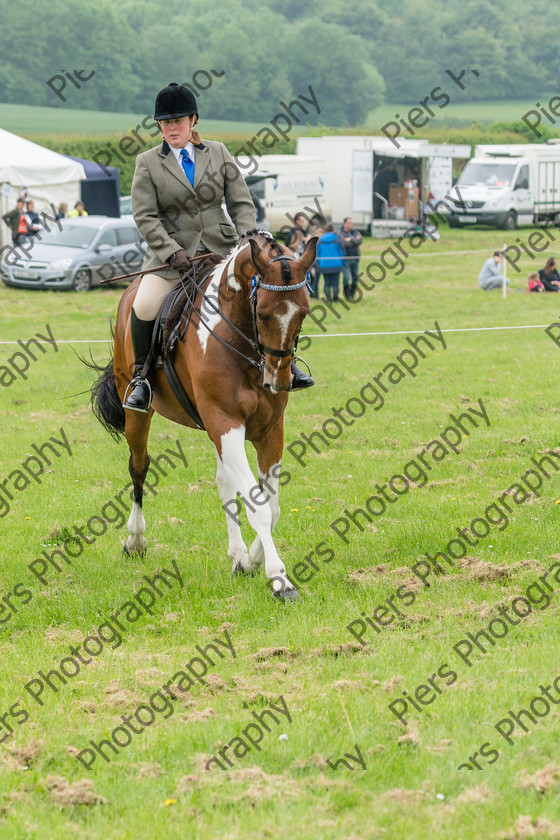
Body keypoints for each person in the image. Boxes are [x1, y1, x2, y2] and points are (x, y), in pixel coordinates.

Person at [125, 82, 314, 412]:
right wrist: (172, 251)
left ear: (193, 121)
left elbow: (241, 202)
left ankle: (287, 364)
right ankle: (141, 378)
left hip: (223, 249)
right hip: (173, 258)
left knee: (270, 297)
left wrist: (246, 239)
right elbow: (145, 216)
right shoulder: (147, 162)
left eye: (178, 121)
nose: (171, 128)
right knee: (143, 306)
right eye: (165, 123)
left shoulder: (218, 152)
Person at [316, 223, 344, 302]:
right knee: (335, 283)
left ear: (325, 230)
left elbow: (318, 254)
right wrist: (342, 262)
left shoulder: (320, 241)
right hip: (336, 265)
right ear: (333, 230)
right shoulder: (337, 239)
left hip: (324, 265)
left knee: (327, 283)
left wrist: (318, 264)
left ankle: (328, 300)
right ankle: (335, 300)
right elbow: (342, 253)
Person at [339, 217, 363, 299]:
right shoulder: (340, 233)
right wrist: (353, 241)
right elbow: (344, 243)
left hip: (355, 259)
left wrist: (351, 239)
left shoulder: (355, 232)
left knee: (355, 278)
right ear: (345, 224)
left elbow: (360, 240)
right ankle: (347, 295)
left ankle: (352, 295)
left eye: (352, 223)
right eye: (350, 223)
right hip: (346, 260)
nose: (352, 225)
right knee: (346, 278)